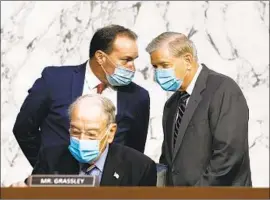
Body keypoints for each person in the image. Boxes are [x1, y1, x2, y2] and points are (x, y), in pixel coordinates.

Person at [13, 25, 150, 167]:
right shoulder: (54, 81)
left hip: (109, 186)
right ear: (100, 57)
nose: (132, 67)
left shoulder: (138, 97)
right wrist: (46, 167)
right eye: (126, 60)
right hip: (57, 182)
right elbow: (24, 129)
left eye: (134, 60)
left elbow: (135, 152)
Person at [145, 32, 252, 186]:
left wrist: (195, 195)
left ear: (188, 60)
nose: (158, 73)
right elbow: (169, 161)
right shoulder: (172, 104)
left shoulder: (223, 89)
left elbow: (228, 156)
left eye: (164, 65)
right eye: (155, 67)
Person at [11, 95, 157, 186]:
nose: (81, 140)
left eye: (91, 134)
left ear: (111, 132)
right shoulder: (51, 157)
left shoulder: (140, 167)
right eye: (75, 131)